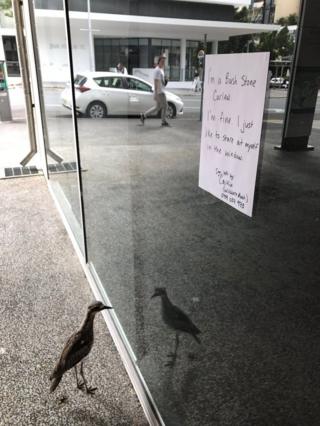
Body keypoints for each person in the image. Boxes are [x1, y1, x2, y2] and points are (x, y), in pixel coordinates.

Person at [140, 54, 169, 127]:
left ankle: (144, 115)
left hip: (161, 90)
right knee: (165, 106)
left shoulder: (161, 70)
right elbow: (156, 82)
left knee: (157, 107)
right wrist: (155, 93)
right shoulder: (157, 70)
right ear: (158, 62)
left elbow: (162, 82)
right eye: (162, 61)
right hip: (160, 92)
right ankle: (163, 121)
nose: (163, 63)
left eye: (164, 62)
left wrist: (166, 81)